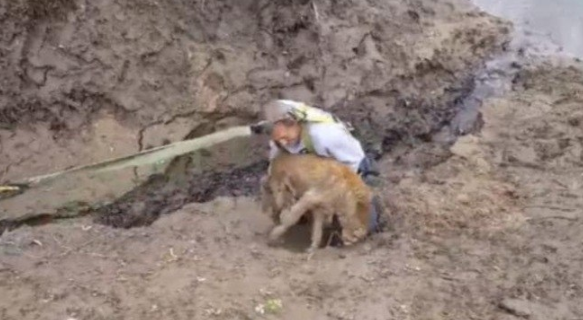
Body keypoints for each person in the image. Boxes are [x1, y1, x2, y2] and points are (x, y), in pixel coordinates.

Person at [251, 99, 382, 234]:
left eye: (285, 137)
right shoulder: (279, 141)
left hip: (351, 167)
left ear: (294, 123)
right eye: (278, 140)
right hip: (319, 172)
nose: (284, 142)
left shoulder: (325, 135)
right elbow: (275, 165)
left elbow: (355, 163)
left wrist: (334, 194)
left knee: (365, 222)